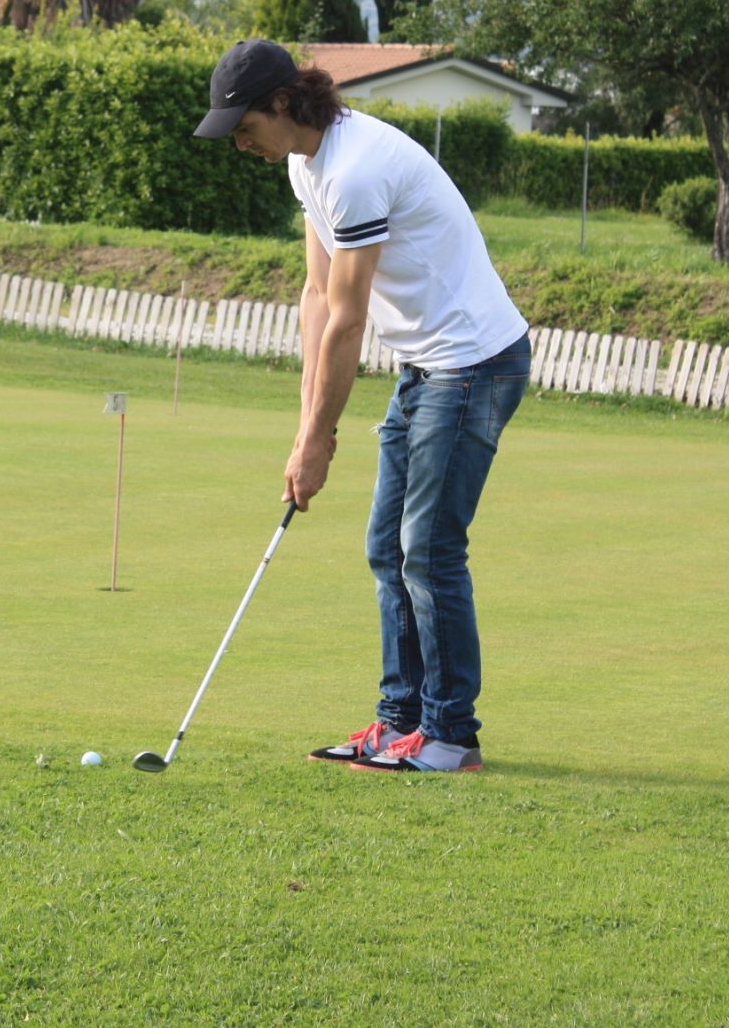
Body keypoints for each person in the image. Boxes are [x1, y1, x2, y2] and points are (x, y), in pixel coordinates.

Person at [193, 39, 531, 773]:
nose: (240, 142)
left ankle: (449, 734)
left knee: (430, 550)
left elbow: (349, 320)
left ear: (283, 102)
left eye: (244, 124)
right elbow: (316, 298)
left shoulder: (354, 171)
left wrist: (319, 439)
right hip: (426, 364)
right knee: (388, 546)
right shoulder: (304, 164)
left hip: (474, 363)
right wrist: (306, 426)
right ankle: (398, 722)